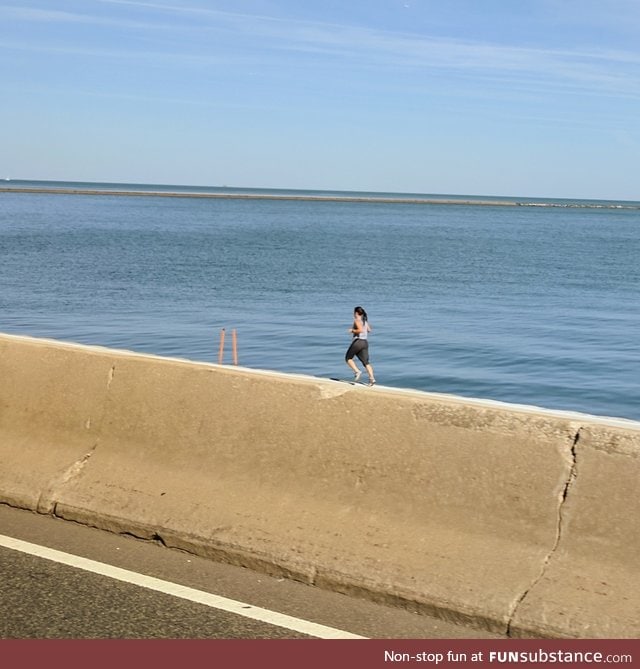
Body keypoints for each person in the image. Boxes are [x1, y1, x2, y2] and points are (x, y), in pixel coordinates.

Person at [345, 306, 376, 385]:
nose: (353, 314)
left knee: (348, 358)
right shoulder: (364, 321)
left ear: (356, 313)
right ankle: (372, 378)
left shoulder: (357, 320)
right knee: (366, 362)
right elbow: (369, 330)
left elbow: (360, 330)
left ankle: (357, 371)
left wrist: (352, 330)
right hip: (365, 342)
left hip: (358, 342)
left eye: (354, 312)